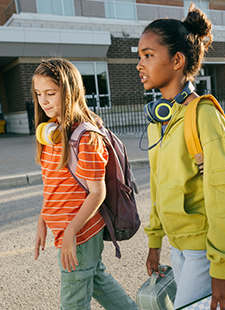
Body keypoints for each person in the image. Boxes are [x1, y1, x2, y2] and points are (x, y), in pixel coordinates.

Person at [137, 5, 225, 310]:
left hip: (203, 251)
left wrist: (222, 269)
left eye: (148, 55)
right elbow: (158, 185)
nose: (139, 65)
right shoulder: (160, 120)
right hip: (177, 247)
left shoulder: (203, 114)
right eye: (139, 56)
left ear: (177, 60)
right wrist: (155, 242)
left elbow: (224, 193)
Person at [33, 58, 137, 309]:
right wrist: (42, 220)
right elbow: (52, 185)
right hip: (67, 231)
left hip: (79, 232)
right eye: (38, 94)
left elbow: (97, 191)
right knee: (97, 279)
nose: (43, 101)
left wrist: (70, 232)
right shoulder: (52, 132)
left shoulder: (85, 137)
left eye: (51, 93)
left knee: (73, 301)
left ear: (70, 93)